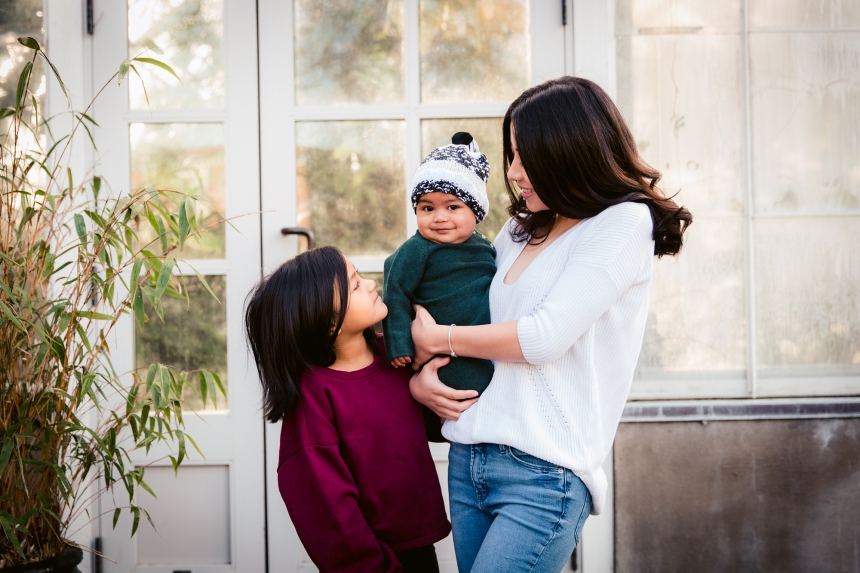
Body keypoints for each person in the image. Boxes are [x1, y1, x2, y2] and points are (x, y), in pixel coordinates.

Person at [408, 76, 693, 573]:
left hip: (544, 473)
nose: (514, 173)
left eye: (528, 157)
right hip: (470, 457)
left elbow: (543, 337)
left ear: (571, 151)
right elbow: (461, 303)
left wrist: (441, 338)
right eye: (511, 156)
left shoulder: (622, 223)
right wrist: (419, 379)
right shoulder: (520, 228)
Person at [244, 246, 451, 573]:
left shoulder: (396, 357)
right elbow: (327, 508)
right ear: (326, 323)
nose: (370, 284)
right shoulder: (314, 400)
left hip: (419, 548)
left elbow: (428, 425)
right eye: (355, 284)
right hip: (372, 561)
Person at [383, 131, 496, 395]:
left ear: (475, 211)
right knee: (468, 390)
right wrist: (399, 343)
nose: (439, 217)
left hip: (483, 341)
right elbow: (394, 291)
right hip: (443, 350)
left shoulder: (483, 244)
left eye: (452, 207)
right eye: (427, 208)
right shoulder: (417, 248)